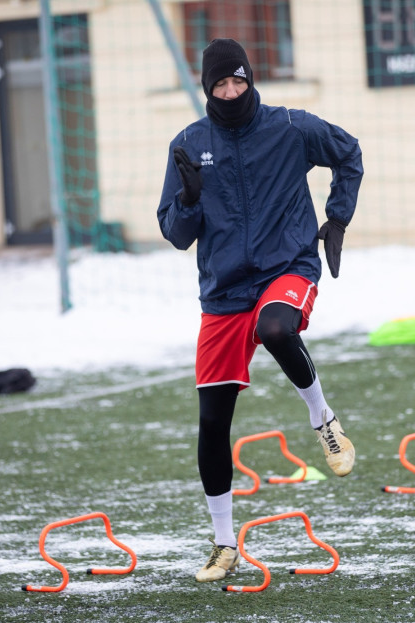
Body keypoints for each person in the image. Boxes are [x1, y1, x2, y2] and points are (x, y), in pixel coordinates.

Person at [157, 39, 363, 582]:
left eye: (238, 81)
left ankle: (323, 418)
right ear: (207, 89)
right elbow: (176, 234)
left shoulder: (290, 127)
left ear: (252, 79)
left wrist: (336, 218)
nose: (230, 92)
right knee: (211, 423)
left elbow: (348, 152)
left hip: (286, 266)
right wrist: (190, 200)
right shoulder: (187, 144)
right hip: (223, 292)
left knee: (276, 326)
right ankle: (224, 544)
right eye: (219, 85)